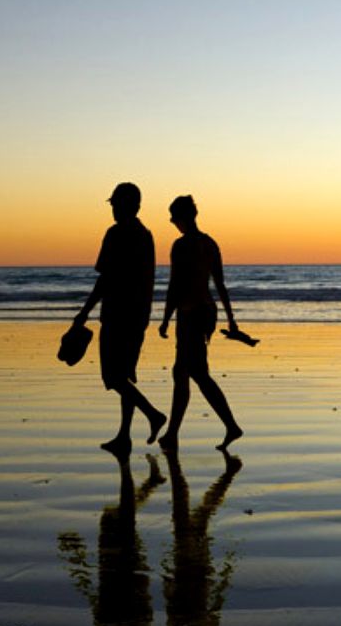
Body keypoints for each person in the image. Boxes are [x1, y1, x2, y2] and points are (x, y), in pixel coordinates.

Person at [75, 182, 167, 454]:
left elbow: (105, 278)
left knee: (113, 378)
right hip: (139, 315)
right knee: (125, 375)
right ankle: (124, 437)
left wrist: (83, 313)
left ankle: (153, 414)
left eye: (115, 203)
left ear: (127, 205)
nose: (112, 208)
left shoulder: (115, 234)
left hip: (117, 314)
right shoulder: (145, 235)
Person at [157, 195, 243, 451]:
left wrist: (164, 319)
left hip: (190, 313)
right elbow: (220, 284)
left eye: (174, 218)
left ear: (182, 217)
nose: (173, 223)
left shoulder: (181, 245)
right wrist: (230, 318)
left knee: (196, 373)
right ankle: (172, 434)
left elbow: (175, 285)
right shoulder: (209, 243)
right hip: (207, 312)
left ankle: (230, 426)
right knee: (183, 372)